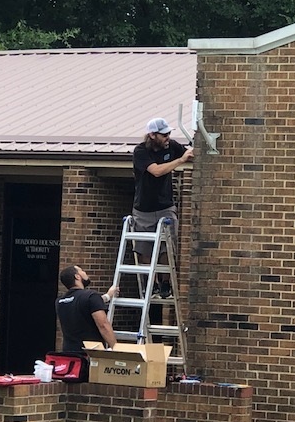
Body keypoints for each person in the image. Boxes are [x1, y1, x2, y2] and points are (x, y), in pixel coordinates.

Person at [132, 117, 193, 298]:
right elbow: (156, 171)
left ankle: (164, 283)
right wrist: (180, 161)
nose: (168, 137)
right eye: (164, 134)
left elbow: (189, 154)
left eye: (169, 134)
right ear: (152, 135)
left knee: (167, 247)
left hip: (165, 205)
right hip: (144, 208)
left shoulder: (171, 146)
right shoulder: (141, 151)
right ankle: (149, 284)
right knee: (144, 248)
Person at [56, 265, 118, 351]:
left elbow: (86, 304)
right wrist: (116, 348)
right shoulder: (91, 296)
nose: (85, 273)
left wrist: (107, 296)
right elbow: (103, 325)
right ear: (77, 276)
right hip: (89, 353)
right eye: (82, 271)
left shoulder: (60, 301)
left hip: (69, 352)